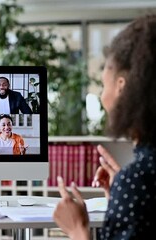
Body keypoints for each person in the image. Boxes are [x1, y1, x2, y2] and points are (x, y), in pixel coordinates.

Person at [53, 15, 156, 240]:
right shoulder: (139, 181)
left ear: (122, 88)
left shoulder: (138, 181)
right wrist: (120, 201)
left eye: (102, 85)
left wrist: (77, 229)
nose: (101, 96)